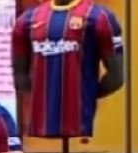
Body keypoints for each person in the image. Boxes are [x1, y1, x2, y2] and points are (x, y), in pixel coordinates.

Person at [11, 0, 125, 139]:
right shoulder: (26, 20)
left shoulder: (99, 17)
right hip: (41, 121)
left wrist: (88, 94)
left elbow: (117, 77)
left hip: (80, 120)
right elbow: (20, 77)